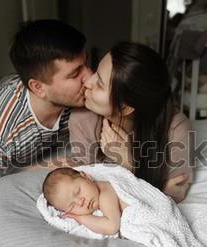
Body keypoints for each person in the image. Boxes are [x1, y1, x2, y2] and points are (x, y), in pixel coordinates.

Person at [0, 19, 91, 192]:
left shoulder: (81, 94)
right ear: (38, 88)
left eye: (86, 64)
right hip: (3, 101)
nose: (90, 77)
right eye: (75, 73)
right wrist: (34, 169)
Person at [69, 41, 193, 203]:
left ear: (126, 108)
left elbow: (178, 194)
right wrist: (159, 188)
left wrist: (129, 164)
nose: (87, 83)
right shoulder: (83, 121)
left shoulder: (176, 129)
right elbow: (91, 190)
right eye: (96, 72)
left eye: (99, 84)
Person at [42, 167, 127, 235]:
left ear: (86, 176)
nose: (80, 202)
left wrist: (80, 218)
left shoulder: (105, 192)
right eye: (72, 207)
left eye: (78, 191)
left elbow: (111, 226)